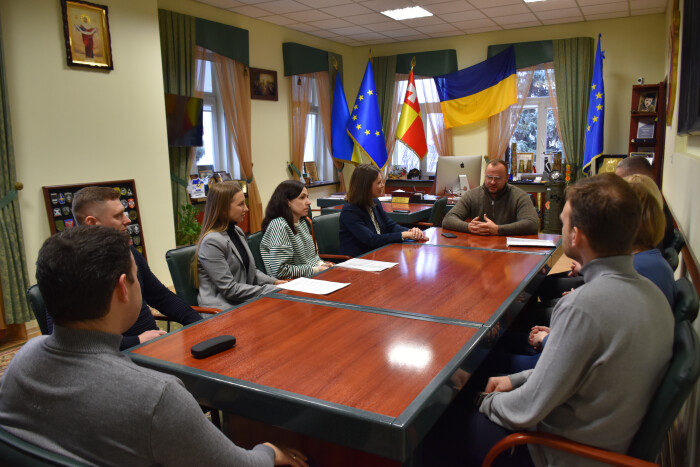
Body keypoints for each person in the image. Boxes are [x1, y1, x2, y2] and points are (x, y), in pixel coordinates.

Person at [0, 225, 307, 466]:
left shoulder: (22, 359)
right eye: (136, 278)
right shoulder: (156, 396)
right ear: (123, 288)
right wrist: (267, 451)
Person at [464, 173, 674, 466]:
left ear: (576, 236)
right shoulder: (655, 295)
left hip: (561, 451)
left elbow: (528, 409)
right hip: (603, 438)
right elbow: (569, 372)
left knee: (451, 422)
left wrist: (479, 400)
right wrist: (514, 380)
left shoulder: (582, 307)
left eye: (563, 221)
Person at [72, 186, 201, 350]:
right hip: (118, 356)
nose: (127, 220)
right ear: (91, 222)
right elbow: (73, 340)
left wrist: (197, 322)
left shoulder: (127, 251)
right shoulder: (70, 268)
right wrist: (137, 340)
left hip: (153, 344)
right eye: (118, 216)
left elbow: (160, 296)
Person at [196, 181, 285, 308]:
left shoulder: (237, 231)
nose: (246, 208)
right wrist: (271, 289)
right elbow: (230, 289)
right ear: (223, 209)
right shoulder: (211, 242)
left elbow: (251, 272)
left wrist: (275, 282)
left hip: (241, 301)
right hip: (221, 310)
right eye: (241, 204)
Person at [339, 164, 427, 257]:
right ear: (366, 186)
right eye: (379, 183)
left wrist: (411, 232)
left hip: (377, 254)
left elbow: (391, 226)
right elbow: (371, 240)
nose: (382, 185)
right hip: (357, 261)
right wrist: (404, 235)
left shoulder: (375, 202)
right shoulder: (350, 211)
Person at [442, 160, 539, 235]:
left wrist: (498, 229)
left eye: (497, 178)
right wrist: (469, 227)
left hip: (508, 248)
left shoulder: (519, 196)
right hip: (479, 248)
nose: (492, 182)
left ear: (506, 177)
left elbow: (532, 224)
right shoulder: (472, 195)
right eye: (489, 177)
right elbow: (448, 219)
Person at [260, 180, 333, 279]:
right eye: (302, 197)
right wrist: (316, 269)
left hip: (308, 278)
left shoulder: (301, 222)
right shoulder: (279, 225)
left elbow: (311, 256)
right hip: (291, 284)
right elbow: (280, 271)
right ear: (287, 202)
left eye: (307, 197)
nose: (308, 202)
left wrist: (321, 263)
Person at [616, 155, 674, 249]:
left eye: (622, 181)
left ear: (637, 178)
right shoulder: (655, 203)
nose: (618, 186)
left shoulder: (649, 215)